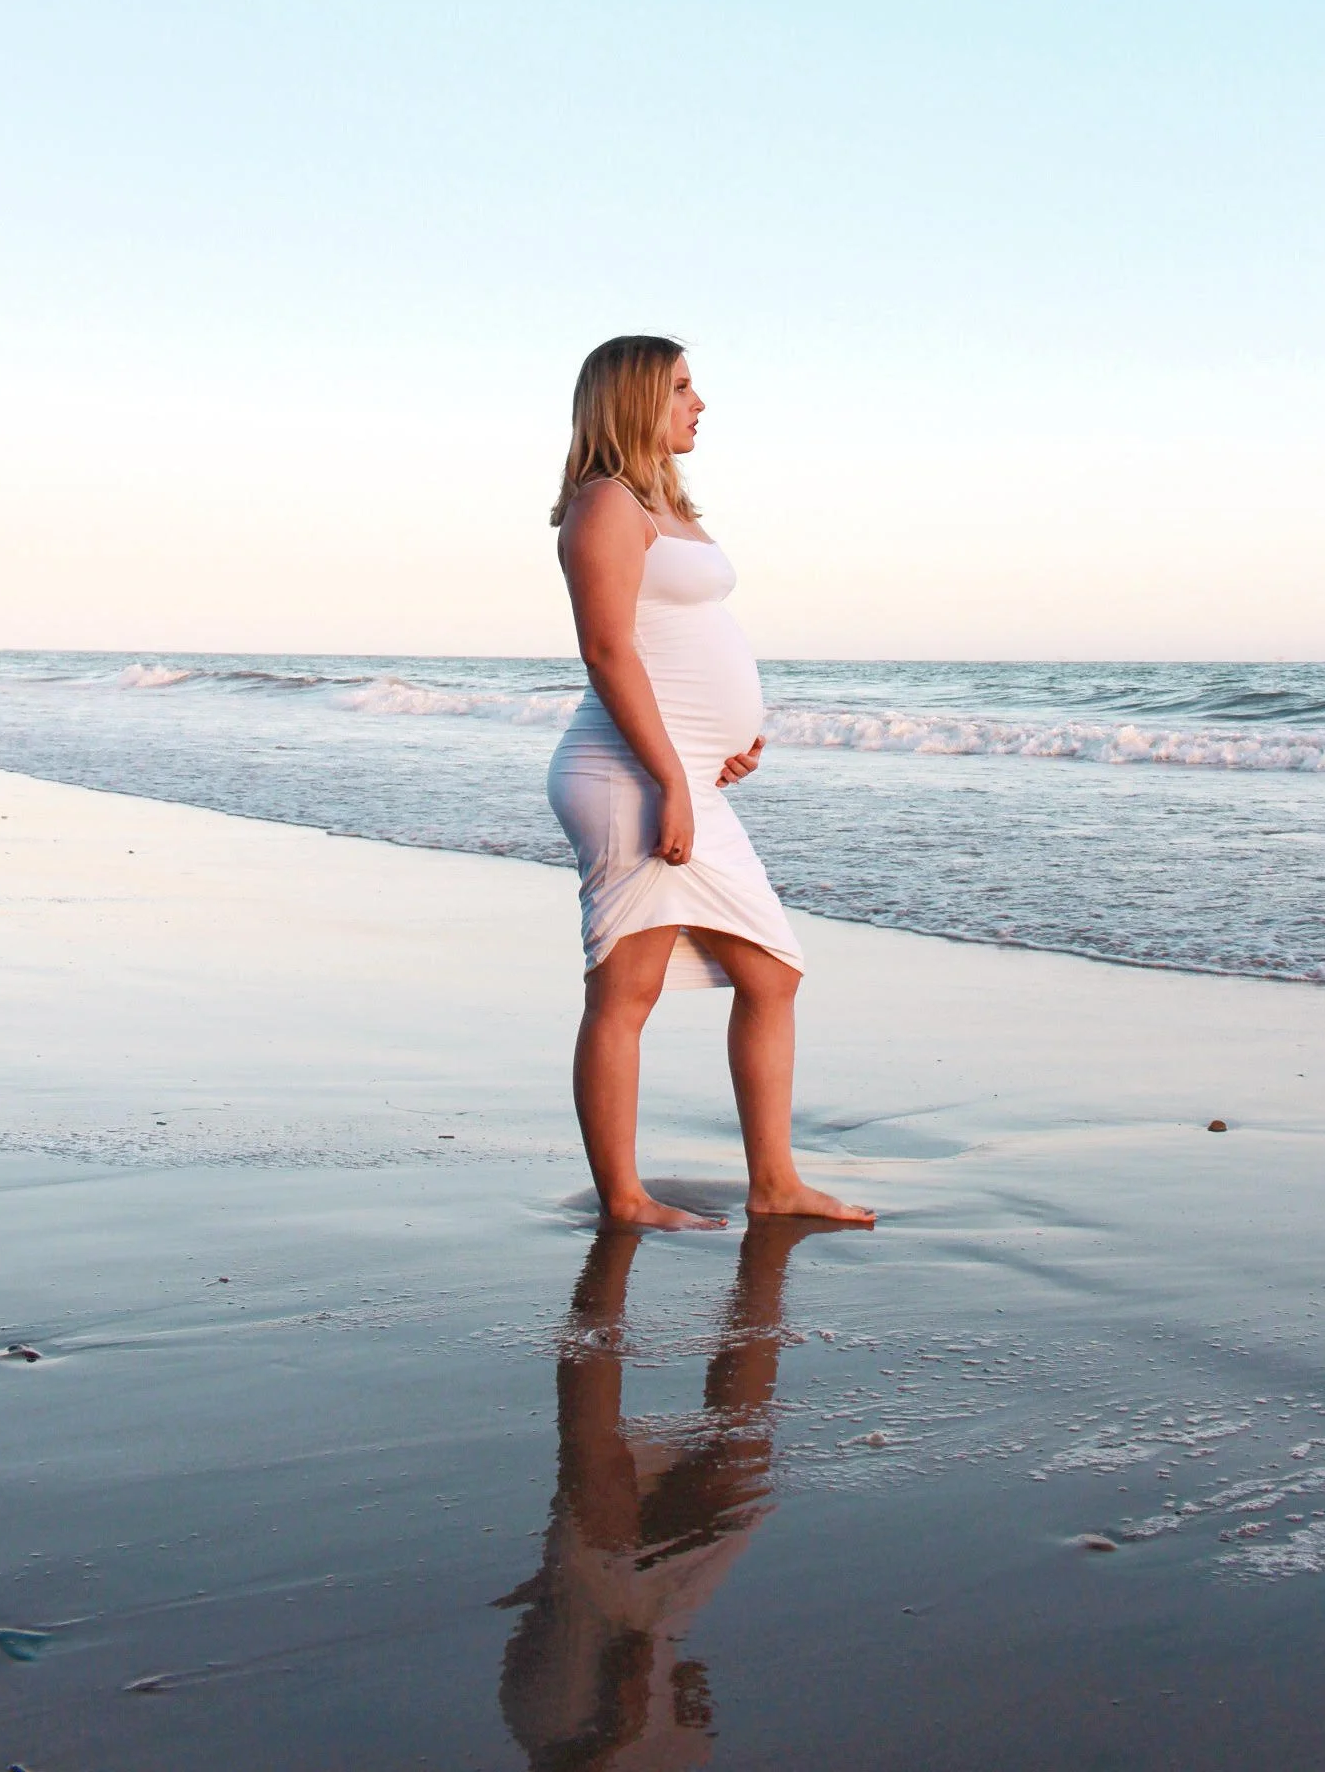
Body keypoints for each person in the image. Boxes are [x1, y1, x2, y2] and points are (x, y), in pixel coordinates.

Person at [546, 334, 875, 1232]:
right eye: (682, 387)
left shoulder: (664, 504)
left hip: (679, 769)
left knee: (771, 972)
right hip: (627, 773)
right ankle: (624, 1198)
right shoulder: (605, 505)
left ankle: (775, 1184)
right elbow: (608, 649)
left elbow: (674, 646)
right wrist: (672, 778)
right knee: (626, 988)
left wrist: (721, 746)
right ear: (633, 400)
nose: (700, 403)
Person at [495, 1219, 818, 1768]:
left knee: (619, 1489)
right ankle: (738, 1265)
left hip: (587, 1717)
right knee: (610, 1484)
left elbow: (689, 1696)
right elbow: (690, 1695)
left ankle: (631, 1258)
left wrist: (623, 1722)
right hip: (563, 1716)